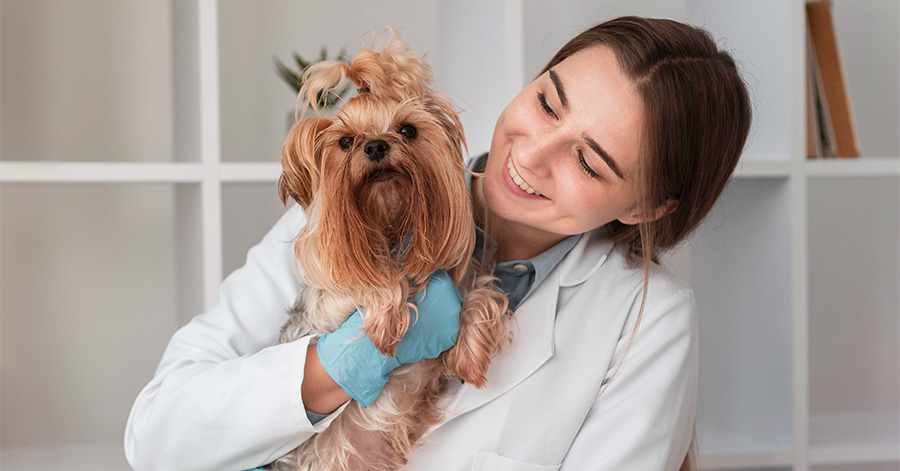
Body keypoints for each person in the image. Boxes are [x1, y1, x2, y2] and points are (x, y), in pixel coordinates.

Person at [125, 16, 751, 471]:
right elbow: (158, 437)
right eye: (546, 103)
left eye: (587, 163)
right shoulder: (347, 212)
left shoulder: (646, 321)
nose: (532, 155)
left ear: (647, 207)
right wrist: (346, 362)